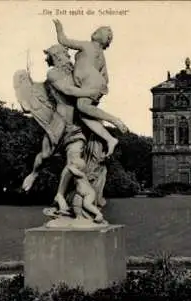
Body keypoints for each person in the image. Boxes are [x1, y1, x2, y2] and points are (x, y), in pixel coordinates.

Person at [53, 19, 128, 157]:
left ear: (100, 37)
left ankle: (114, 120)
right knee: (84, 114)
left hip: (89, 81)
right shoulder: (101, 55)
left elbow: (63, 40)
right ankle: (110, 139)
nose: (95, 31)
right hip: (95, 83)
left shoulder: (87, 45)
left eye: (99, 31)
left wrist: (59, 27)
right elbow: (105, 77)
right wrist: (96, 89)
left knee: (82, 106)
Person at [67, 158, 104, 223]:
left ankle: (99, 214)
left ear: (78, 167)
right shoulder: (75, 176)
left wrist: (69, 166)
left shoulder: (81, 174)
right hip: (82, 194)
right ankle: (79, 216)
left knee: (87, 204)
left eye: (73, 165)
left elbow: (73, 170)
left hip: (89, 193)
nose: (72, 165)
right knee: (76, 201)